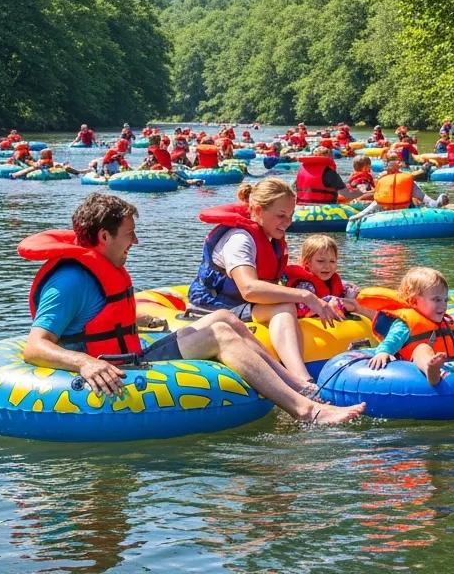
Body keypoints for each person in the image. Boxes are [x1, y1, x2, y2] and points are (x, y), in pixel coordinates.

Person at [20, 193, 363, 425]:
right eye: (129, 234)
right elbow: (35, 346)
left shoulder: (105, 266)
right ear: (104, 237)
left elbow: (105, 317)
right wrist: (84, 363)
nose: (135, 241)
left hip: (134, 357)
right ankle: (307, 412)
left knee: (225, 318)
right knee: (219, 334)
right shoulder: (69, 281)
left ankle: (300, 387)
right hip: (114, 371)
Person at [188, 178, 341, 391]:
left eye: (290, 215)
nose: (288, 222)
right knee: (285, 306)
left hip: (242, 306)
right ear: (259, 211)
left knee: (290, 302)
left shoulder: (269, 237)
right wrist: (306, 297)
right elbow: (249, 289)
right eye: (281, 215)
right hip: (214, 307)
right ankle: (303, 382)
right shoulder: (240, 239)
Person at [349, 159, 454, 226]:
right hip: (410, 216)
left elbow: (374, 205)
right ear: (398, 166)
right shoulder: (407, 181)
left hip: (383, 217)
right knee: (452, 208)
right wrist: (439, 202)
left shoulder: (381, 181)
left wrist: (357, 216)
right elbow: (429, 202)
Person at [283, 234, 369, 319]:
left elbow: (345, 288)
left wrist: (354, 293)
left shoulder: (332, 279)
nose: (327, 266)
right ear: (307, 263)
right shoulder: (304, 285)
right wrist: (333, 301)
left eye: (332, 261)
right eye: (321, 261)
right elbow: (304, 308)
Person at [10, 148, 82, 179]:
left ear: (45, 155)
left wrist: (30, 163)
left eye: (42, 154)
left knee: (30, 169)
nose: (40, 155)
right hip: (47, 166)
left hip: (44, 169)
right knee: (60, 165)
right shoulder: (48, 159)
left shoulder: (45, 160)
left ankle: (15, 175)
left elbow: (37, 165)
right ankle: (79, 171)